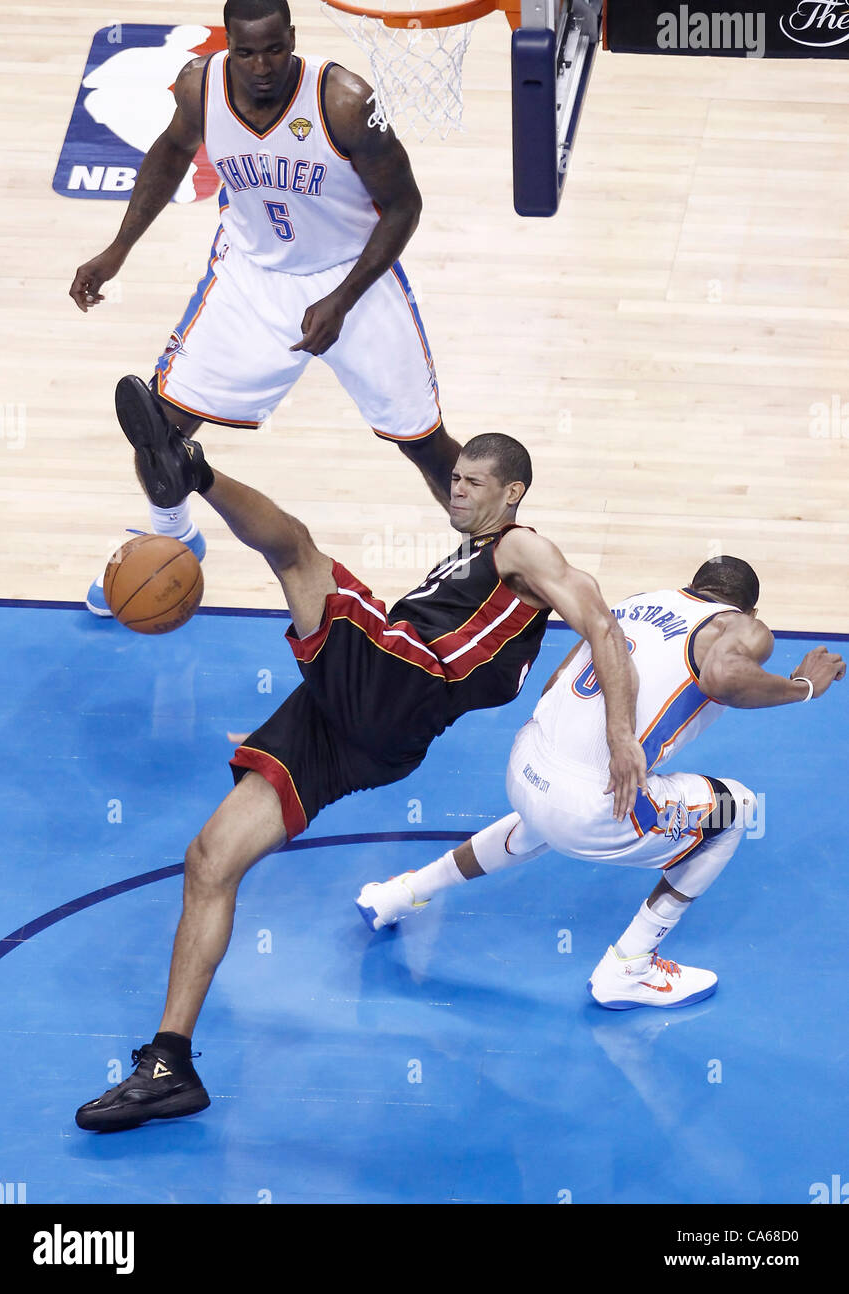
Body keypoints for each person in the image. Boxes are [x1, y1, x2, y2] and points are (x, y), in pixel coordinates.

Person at [74, 376, 647, 1131]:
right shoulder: (466, 557)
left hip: (408, 681)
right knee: (210, 858)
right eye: (457, 478)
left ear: (513, 494)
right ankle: (168, 1065)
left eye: (476, 482)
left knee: (302, 557)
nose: (460, 489)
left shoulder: (523, 547)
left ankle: (192, 469)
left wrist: (619, 734)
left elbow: (602, 624)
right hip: (354, 723)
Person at [69, 0, 461, 616]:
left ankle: (493, 554)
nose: (261, 67)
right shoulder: (200, 87)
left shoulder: (346, 103)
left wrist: (343, 296)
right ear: (230, 46)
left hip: (352, 275)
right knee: (158, 434)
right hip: (252, 277)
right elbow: (171, 154)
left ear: (292, 43)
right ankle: (170, 540)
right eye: (248, 53)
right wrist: (117, 250)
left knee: (423, 441)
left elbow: (405, 207)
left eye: (274, 51)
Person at [357, 557, 845, 1008]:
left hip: (526, 765)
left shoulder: (636, 602)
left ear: (693, 586)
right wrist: (803, 688)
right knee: (736, 809)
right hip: (591, 805)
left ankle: (399, 895)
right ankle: (630, 968)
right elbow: (723, 676)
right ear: (750, 609)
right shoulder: (741, 627)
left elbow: (555, 682)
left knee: (542, 819)